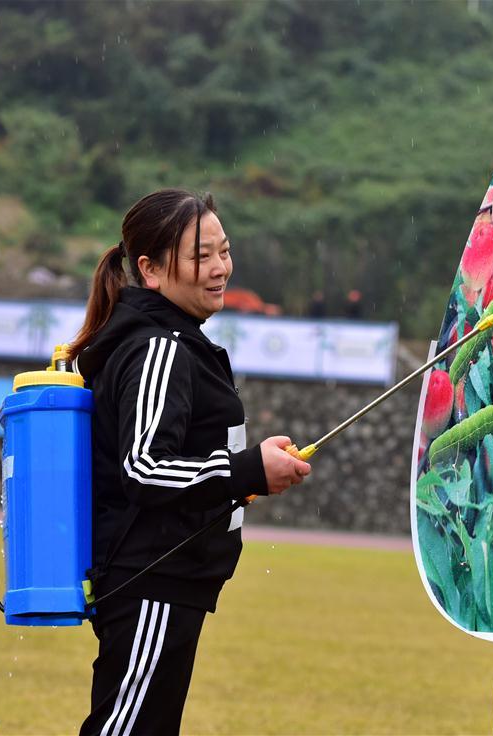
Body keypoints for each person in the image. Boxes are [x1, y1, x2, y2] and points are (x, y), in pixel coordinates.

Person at [68, 189, 311, 735]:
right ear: (151, 270)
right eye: (202, 257)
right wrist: (249, 471)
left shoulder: (176, 340)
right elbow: (145, 466)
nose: (221, 267)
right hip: (153, 580)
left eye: (224, 251)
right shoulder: (160, 347)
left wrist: (248, 473)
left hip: (170, 582)